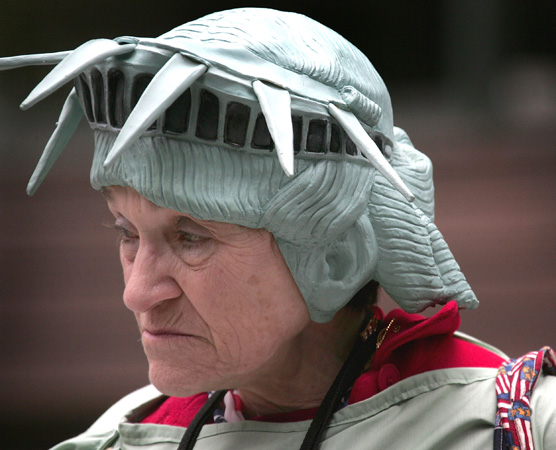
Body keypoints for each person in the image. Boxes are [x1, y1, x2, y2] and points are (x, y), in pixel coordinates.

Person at [1, 8, 555, 450]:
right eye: (128, 233)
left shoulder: (517, 428)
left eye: (191, 237)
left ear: (337, 258)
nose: (138, 292)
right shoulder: (121, 440)